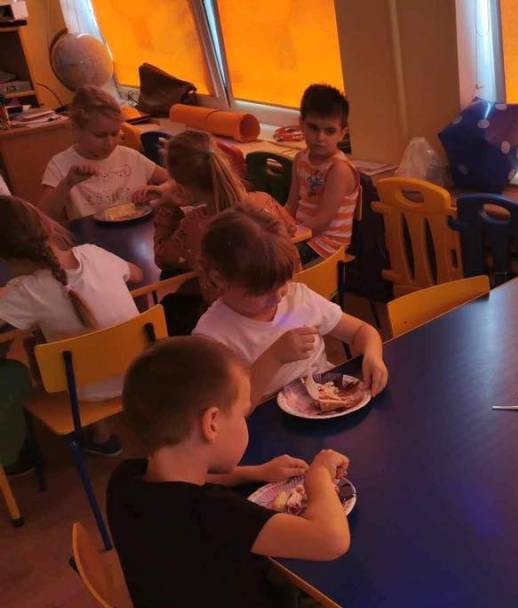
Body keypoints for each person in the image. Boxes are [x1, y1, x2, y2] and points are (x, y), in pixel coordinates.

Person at [108, 336, 379, 608]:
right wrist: (319, 475)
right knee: (376, 606)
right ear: (212, 423)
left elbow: (202, 476)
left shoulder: (126, 480)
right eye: (243, 413)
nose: (246, 422)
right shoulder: (213, 515)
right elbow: (331, 540)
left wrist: (253, 473)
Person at [193, 204, 387, 405]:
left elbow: (360, 331)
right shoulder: (211, 337)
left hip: (325, 405)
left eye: (283, 282)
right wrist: (274, 357)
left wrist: (373, 356)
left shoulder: (298, 297)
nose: (278, 298)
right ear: (219, 279)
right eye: (262, 292)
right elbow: (232, 409)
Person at [0, 196, 143, 454]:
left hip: (84, 395)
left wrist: (8, 291)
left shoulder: (24, 291)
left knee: (41, 350)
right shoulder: (93, 253)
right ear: (48, 225)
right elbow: (137, 273)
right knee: (82, 334)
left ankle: (101, 435)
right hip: (139, 371)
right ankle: (105, 432)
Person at [141, 129, 297, 276]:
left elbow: (163, 258)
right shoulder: (264, 200)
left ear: (182, 189)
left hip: (233, 295)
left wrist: (168, 207)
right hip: (285, 288)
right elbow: (291, 228)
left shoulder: (195, 226)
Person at [39, 86, 170, 221]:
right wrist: (67, 183)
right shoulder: (60, 164)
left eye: (114, 134)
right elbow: (43, 217)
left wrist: (159, 190)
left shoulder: (132, 157)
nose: (110, 143)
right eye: (100, 135)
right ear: (76, 130)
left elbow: (175, 181)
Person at [286, 84, 360, 262]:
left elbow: (322, 221)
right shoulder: (300, 159)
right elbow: (291, 206)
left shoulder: (339, 169)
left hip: (328, 246)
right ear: (301, 124)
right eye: (313, 128)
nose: (320, 138)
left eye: (330, 131)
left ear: (342, 133)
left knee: (273, 262)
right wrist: (275, 226)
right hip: (304, 236)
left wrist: (287, 238)